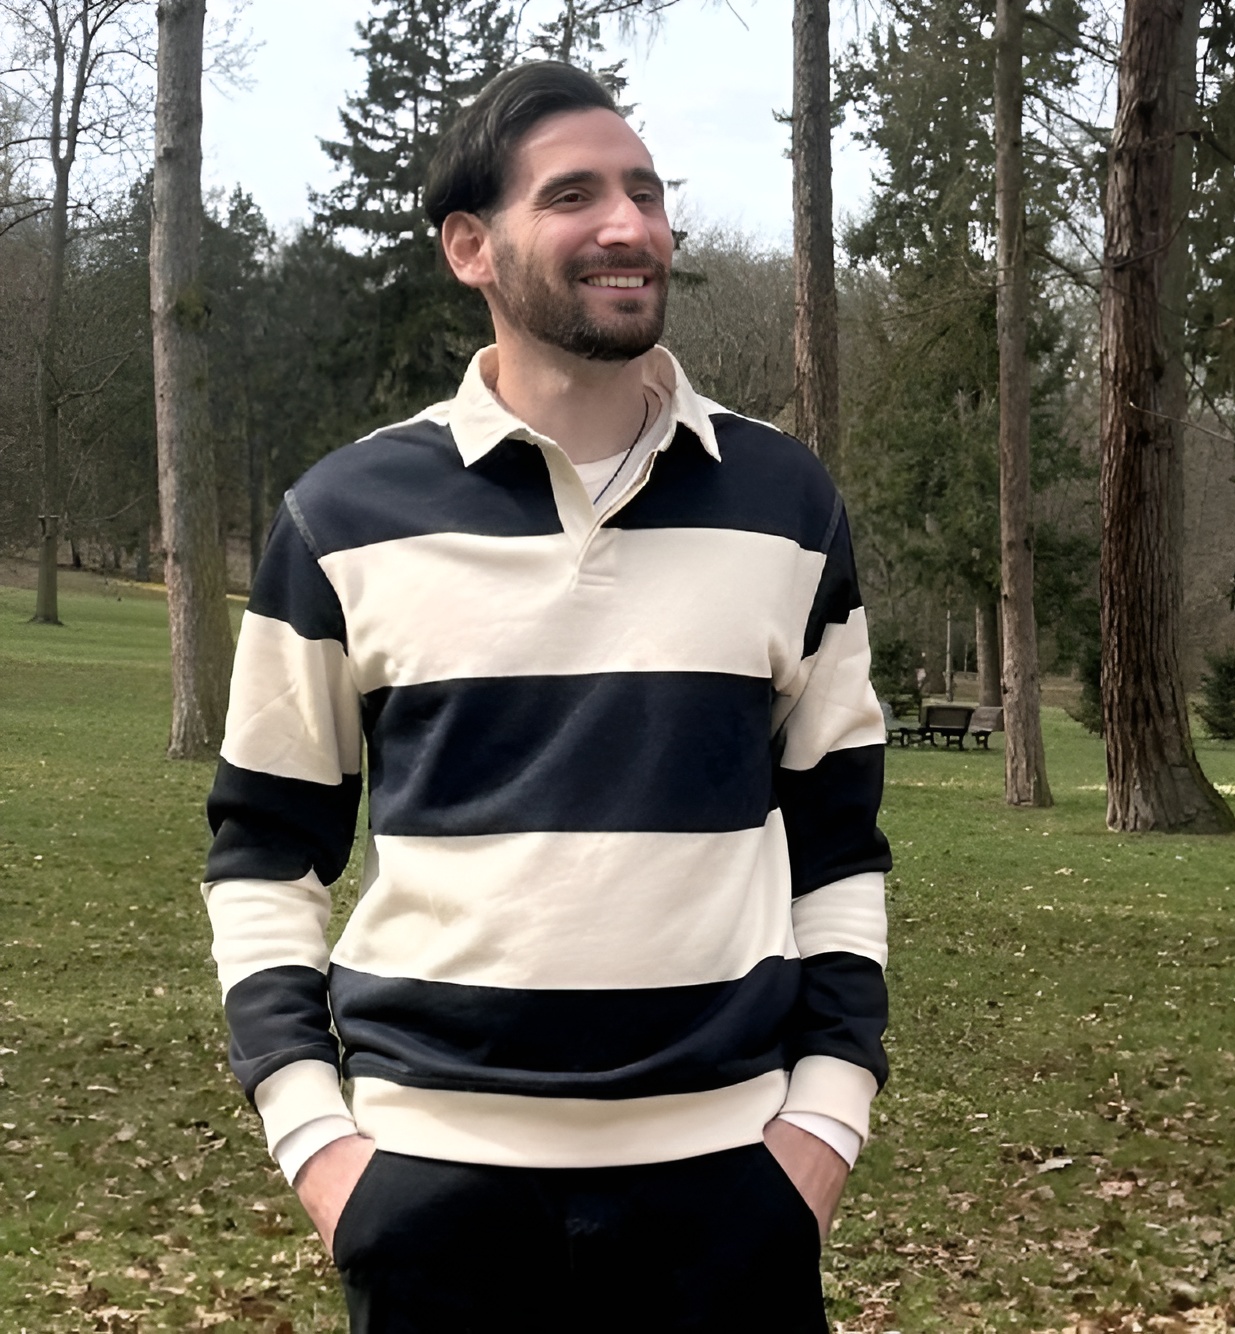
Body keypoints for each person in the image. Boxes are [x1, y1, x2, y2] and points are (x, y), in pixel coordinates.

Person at [202, 60, 890, 1333]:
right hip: (433, 1199)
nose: (629, 225)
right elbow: (263, 853)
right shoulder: (343, 517)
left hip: (730, 1194)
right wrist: (320, 1146)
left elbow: (840, 841)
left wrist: (828, 1118)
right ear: (472, 246)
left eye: (646, 192)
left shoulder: (788, 505)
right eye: (574, 195)